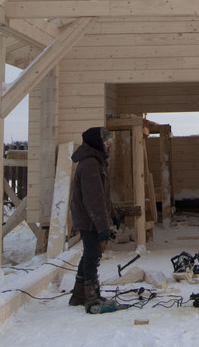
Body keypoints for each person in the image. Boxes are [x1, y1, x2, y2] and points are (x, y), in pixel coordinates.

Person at [68, 126, 121, 312]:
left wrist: (113, 213)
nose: (108, 145)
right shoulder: (90, 164)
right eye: (106, 142)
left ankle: (79, 295)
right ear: (97, 143)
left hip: (91, 217)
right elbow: (94, 201)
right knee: (93, 254)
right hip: (89, 218)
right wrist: (103, 227)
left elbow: (103, 195)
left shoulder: (96, 162)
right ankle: (91, 298)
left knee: (89, 253)